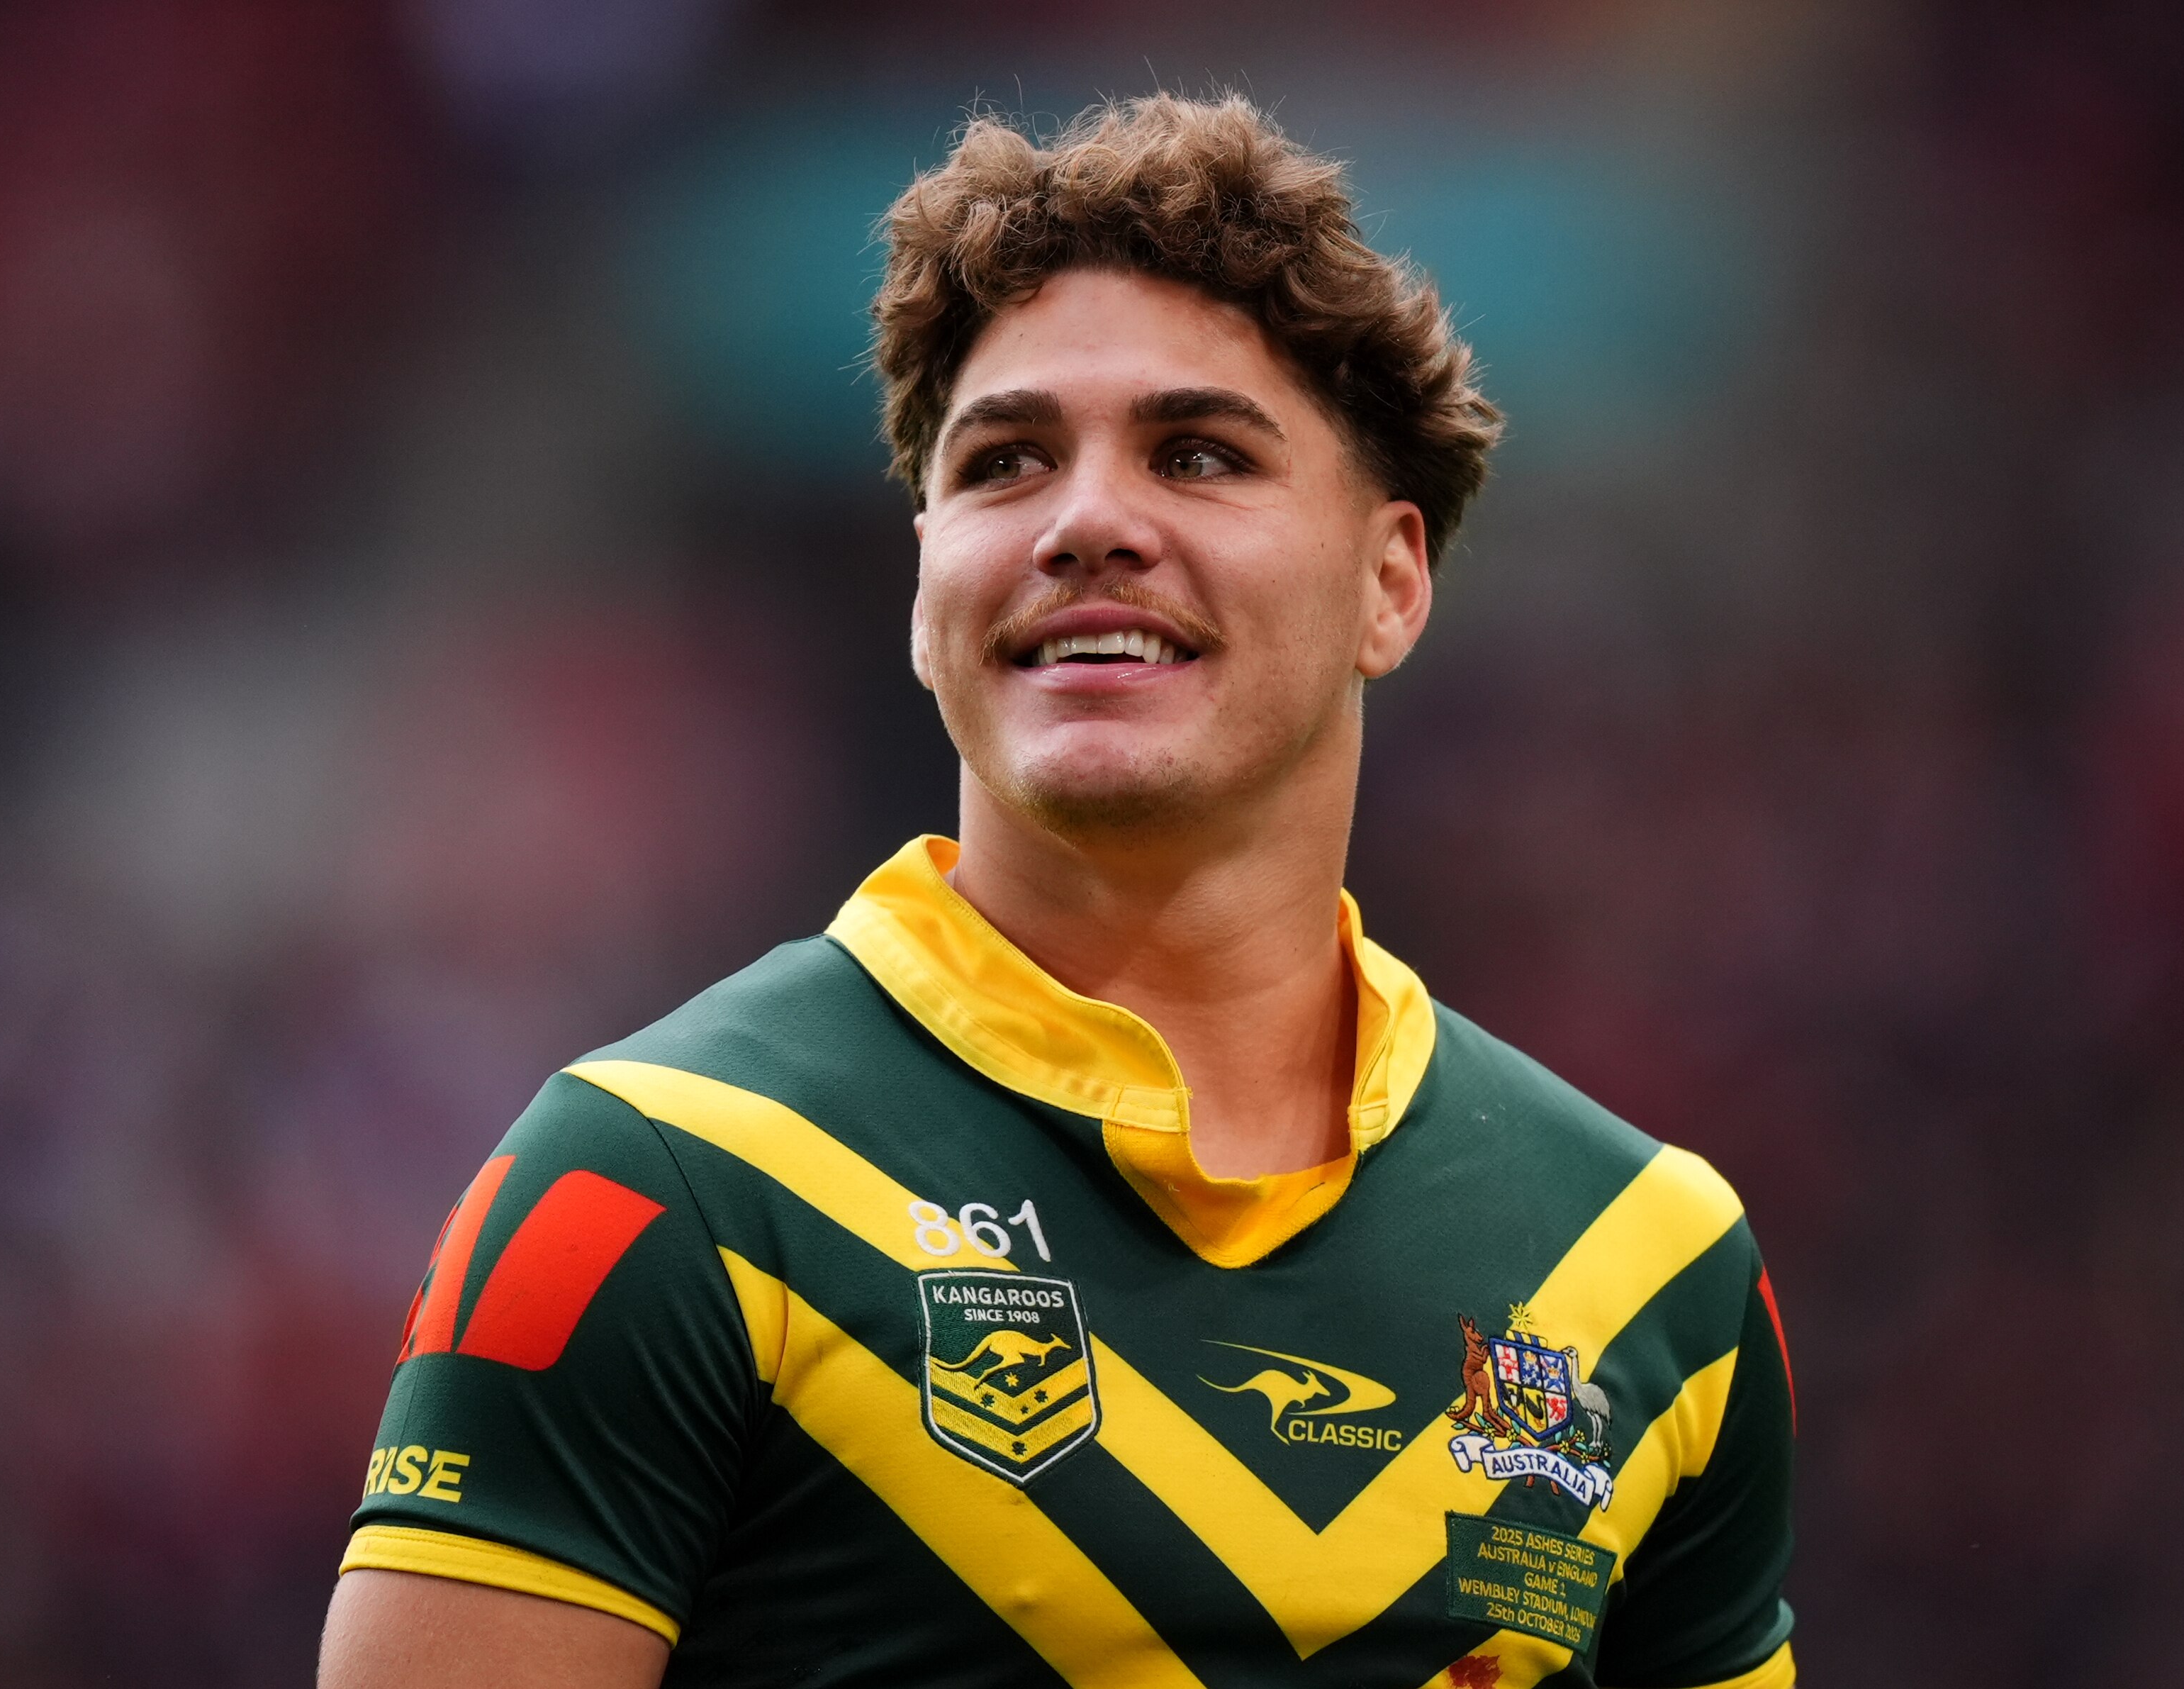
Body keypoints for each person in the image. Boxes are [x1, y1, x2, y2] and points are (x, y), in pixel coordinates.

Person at [317, 93, 1797, 1689]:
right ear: (925, 584)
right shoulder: (660, 1188)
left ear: (1390, 582)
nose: (1088, 522)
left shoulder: (1652, 1269)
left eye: (1199, 454)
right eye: (1006, 463)